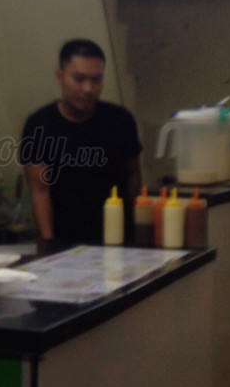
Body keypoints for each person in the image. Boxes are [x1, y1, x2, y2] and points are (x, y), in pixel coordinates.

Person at [18, 38, 142, 244]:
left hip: (119, 240)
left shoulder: (120, 120)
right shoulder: (39, 125)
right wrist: (49, 243)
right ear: (60, 77)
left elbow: (134, 176)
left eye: (96, 80)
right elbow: (40, 191)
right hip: (66, 241)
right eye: (79, 79)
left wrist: (139, 232)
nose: (88, 89)